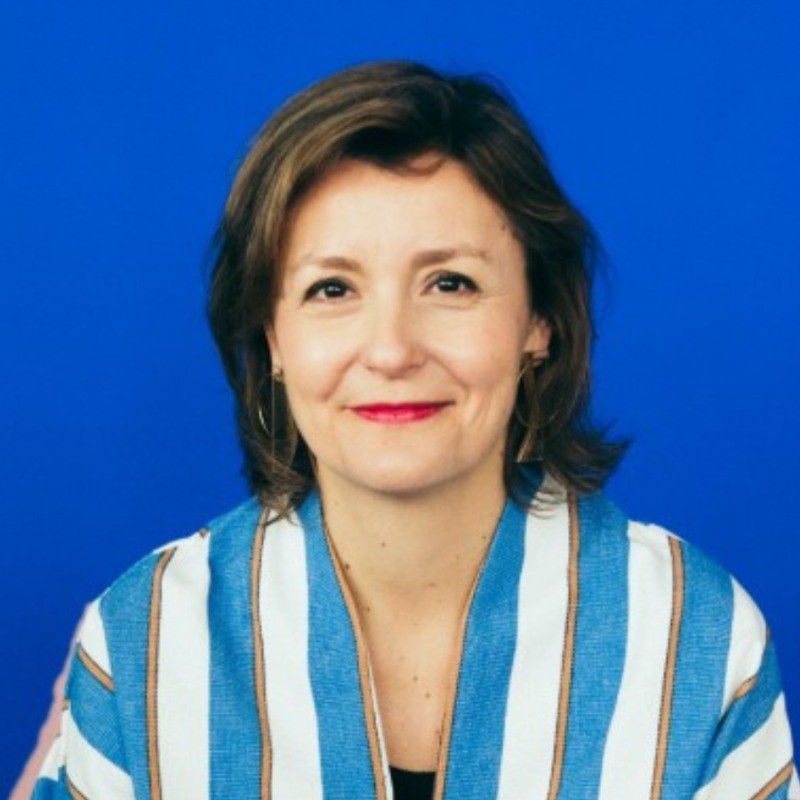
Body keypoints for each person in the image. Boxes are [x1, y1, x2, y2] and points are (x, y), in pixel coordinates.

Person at [25, 60, 798, 800]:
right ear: (272, 338)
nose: (392, 350)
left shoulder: (694, 635)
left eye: (450, 283)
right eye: (332, 289)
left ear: (539, 322)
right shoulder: (147, 636)